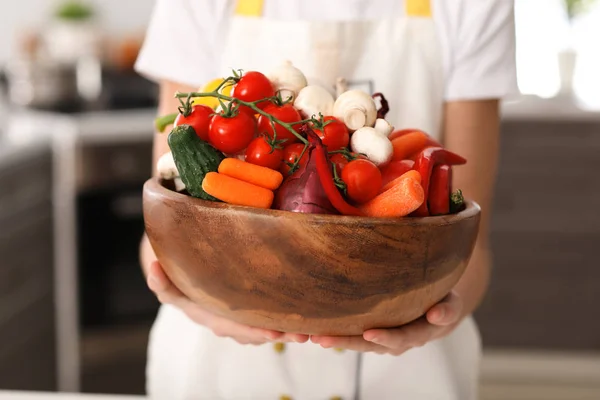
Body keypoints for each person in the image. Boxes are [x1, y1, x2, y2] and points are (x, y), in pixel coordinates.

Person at [136, 0, 517, 398]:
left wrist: (445, 310)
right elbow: (167, 203)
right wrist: (184, 291)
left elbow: (467, 244)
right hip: (219, 365)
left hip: (406, 370)